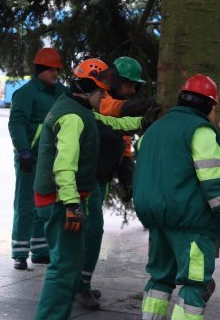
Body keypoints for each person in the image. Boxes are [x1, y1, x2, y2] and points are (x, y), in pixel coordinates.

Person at [33, 59, 144, 320]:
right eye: (102, 93)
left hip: (60, 200)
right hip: (61, 201)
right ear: (89, 89)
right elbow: (64, 166)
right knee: (63, 268)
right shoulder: (73, 117)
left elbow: (114, 125)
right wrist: (71, 205)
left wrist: (143, 119)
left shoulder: (79, 109)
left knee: (66, 266)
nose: (105, 98)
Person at [133, 74, 220, 320]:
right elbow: (214, 180)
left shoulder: (154, 129)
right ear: (209, 105)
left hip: (157, 218)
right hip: (190, 221)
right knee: (196, 283)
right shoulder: (200, 131)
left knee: (160, 278)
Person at [75, 56, 159, 309]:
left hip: (99, 179)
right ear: (117, 81)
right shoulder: (99, 101)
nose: (133, 91)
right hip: (86, 179)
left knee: (87, 233)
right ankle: (80, 286)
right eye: (130, 85)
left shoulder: (109, 101)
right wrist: (149, 105)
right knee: (92, 232)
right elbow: (115, 110)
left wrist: (128, 181)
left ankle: (79, 283)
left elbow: (124, 149)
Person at [8, 46, 68, 269]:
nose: (55, 74)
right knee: (25, 204)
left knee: (45, 203)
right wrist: (23, 149)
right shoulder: (25, 93)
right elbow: (17, 123)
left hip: (51, 158)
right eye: (52, 70)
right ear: (40, 70)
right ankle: (20, 253)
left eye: (57, 70)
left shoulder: (61, 92)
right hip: (29, 158)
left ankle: (41, 250)